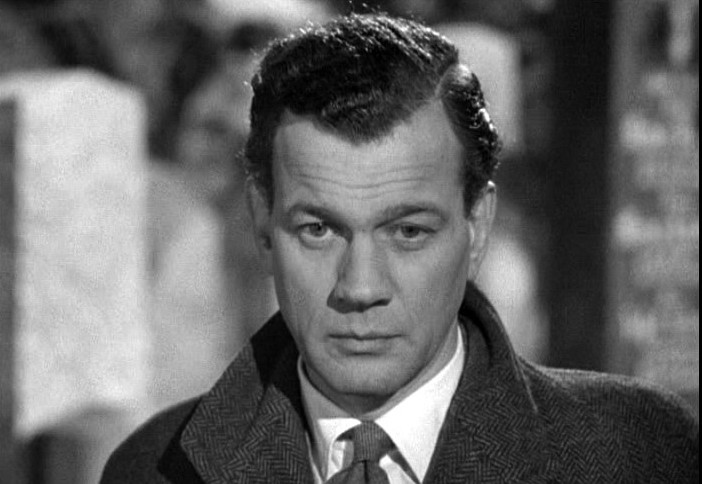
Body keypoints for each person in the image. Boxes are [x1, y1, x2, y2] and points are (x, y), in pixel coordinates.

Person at [101, 13, 698, 483]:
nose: (360, 288)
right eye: (318, 230)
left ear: (477, 225)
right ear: (262, 221)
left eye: (408, 232)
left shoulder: (636, 453)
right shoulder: (153, 467)